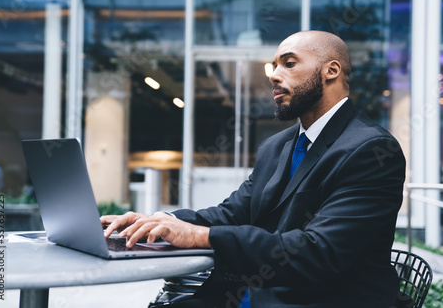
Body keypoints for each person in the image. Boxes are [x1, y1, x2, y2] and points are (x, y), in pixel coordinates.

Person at [102, 31, 406, 307]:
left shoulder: (372, 150)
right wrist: (159, 221)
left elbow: (319, 253)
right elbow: (233, 213)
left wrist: (201, 236)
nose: (274, 75)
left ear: (331, 71)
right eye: (274, 66)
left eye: (288, 63)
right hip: (251, 293)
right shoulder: (277, 146)